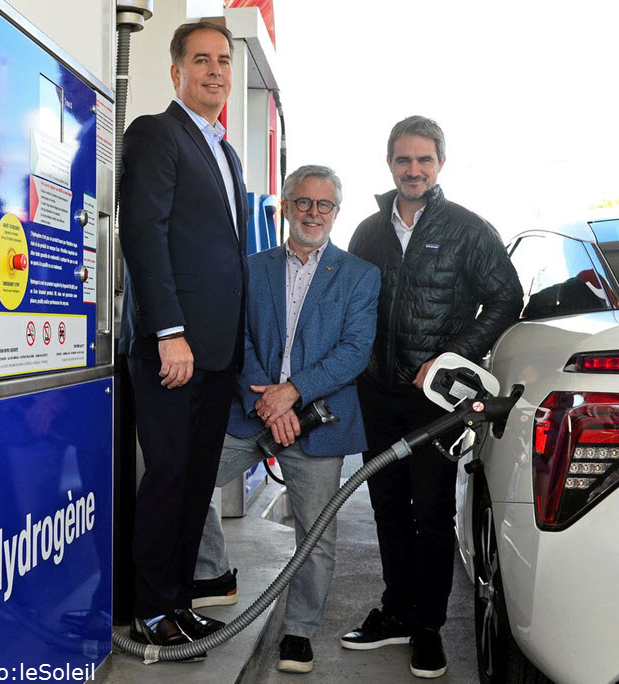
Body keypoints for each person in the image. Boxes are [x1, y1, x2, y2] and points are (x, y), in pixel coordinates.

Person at [343, 116, 523, 678]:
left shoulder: (468, 230)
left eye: (424, 160)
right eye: (403, 160)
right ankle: (395, 612)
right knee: (387, 508)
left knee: (433, 516)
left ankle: (428, 627)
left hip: (434, 405)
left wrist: (449, 360)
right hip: (377, 394)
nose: (413, 170)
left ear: (440, 163)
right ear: (389, 163)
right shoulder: (368, 232)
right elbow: (352, 306)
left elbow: (505, 298)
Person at [193, 165, 381, 673]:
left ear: (336, 212)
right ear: (285, 207)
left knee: (315, 535)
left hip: (320, 419)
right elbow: (239, 340)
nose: (313, 213)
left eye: (324, 205)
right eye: (303, 202)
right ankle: (212, 574)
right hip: (254, 410)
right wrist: (268, 403)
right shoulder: (251, 268)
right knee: (188, 482)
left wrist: (293, 393)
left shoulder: (361, 276)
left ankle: (299, 633)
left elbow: (355, 351)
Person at [117, 21, 249, 653]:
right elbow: (145, 232)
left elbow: (228, 256)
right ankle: (148, 610)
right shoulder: (156, 133)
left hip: (216, 354)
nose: (216, 71)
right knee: (168, 476)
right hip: (175, 350)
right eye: (202, 60)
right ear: (176, 72)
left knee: (198, 483)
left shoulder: (226, 151)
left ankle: (178, 603)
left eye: (223, 61)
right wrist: (169, 331)